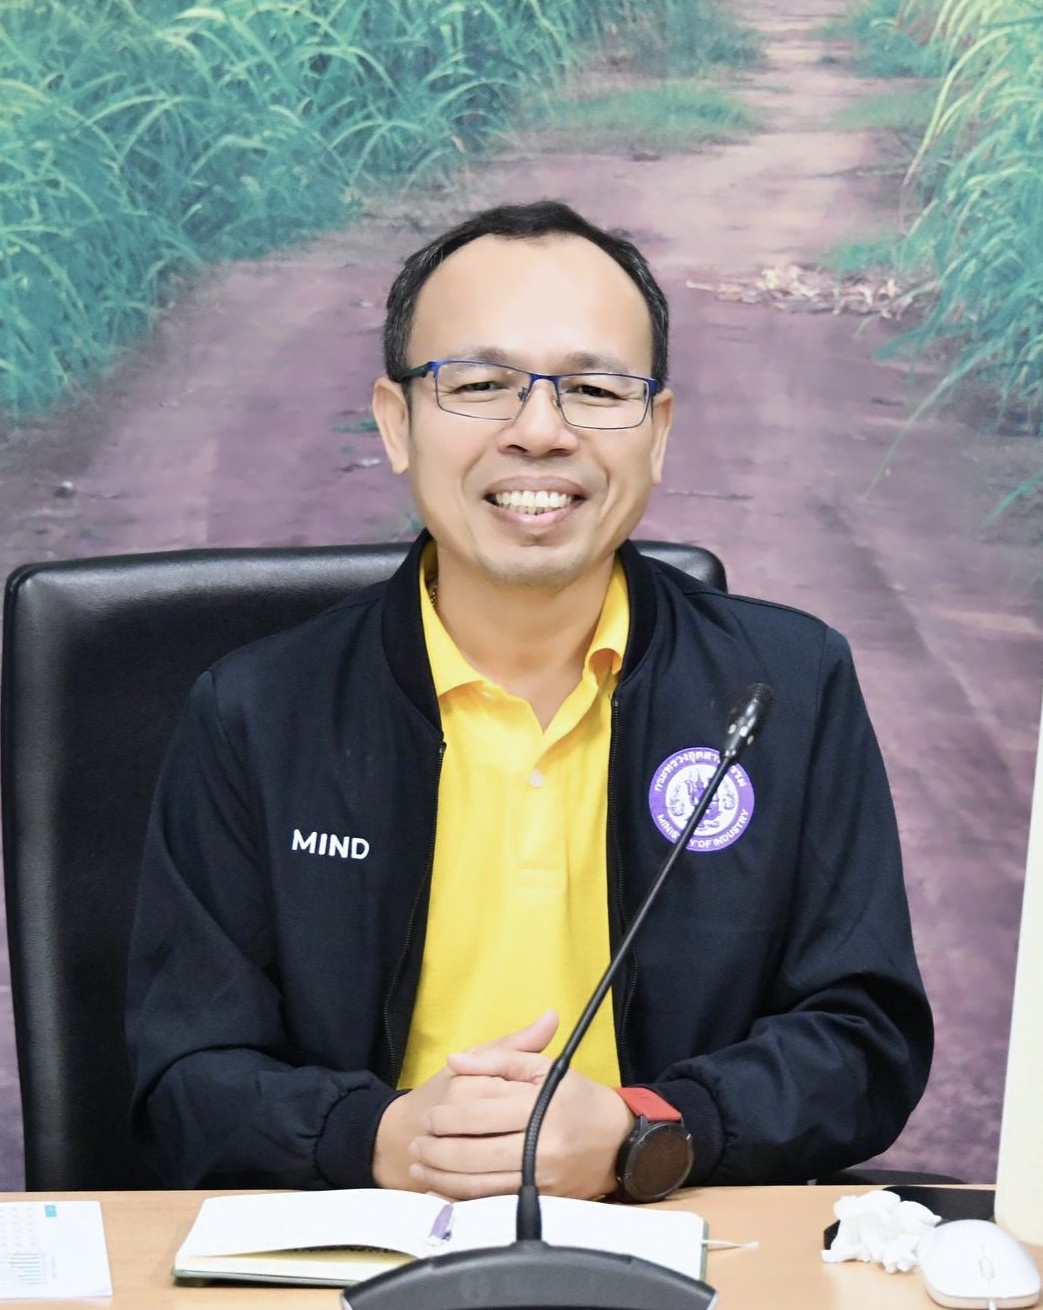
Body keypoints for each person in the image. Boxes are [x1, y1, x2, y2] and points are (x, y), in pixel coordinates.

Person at [124, 200, 933, 1202]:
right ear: (396, 423)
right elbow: (184, 1077)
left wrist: (648, 1128)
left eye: (594, 389)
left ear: (657, 432)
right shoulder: (255, 711)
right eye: (480, 385)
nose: (540, 432)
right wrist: (378, 1136)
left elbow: (862, 1039)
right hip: (363, 1248)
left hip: (681, 1242)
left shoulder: (784, 688)